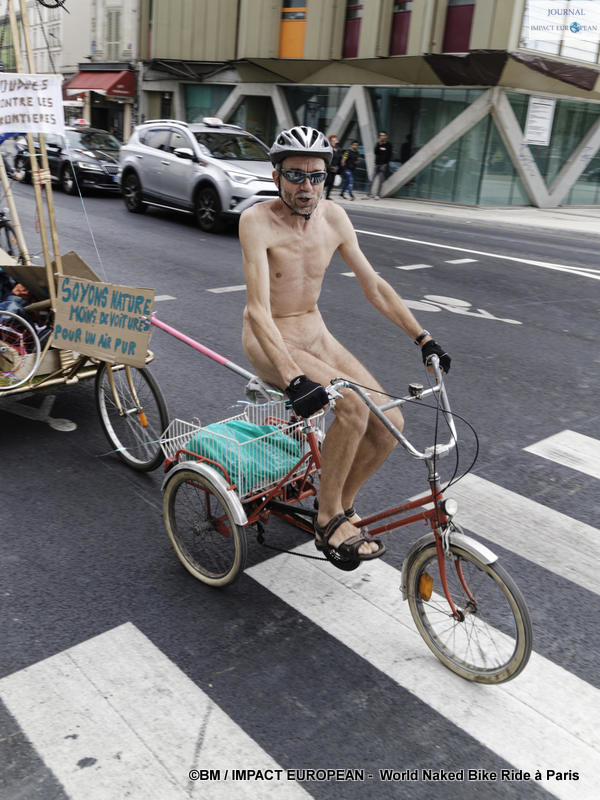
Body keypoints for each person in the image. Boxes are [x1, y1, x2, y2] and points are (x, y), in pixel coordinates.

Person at [239, 125, 451, 563]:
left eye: (316, 176)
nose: (306, 186)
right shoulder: (256, 222)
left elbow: (373, 284)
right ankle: (327, 521)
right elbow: (259, 310)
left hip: (315, 333)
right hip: (270, 339)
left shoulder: (334, 218)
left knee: (389, 422)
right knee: (352, 406)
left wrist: (423, 337)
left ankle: (335, 504)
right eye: (295, 175)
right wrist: (293, 377)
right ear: (276, 174)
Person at [366, 131, 392, 200]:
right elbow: (375, 152)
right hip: (376, 164)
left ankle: (377, 195)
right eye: (381, 135)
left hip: (383, 165)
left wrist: (386, 164)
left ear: (386, 136)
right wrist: (379, 144)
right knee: (371, 179)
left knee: (380, 181)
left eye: (383, 135)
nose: (382, 137)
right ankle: (368, 194)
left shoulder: (388, 145)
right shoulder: (378, 143)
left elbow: (389, 155)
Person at [324, 134, 342, 200]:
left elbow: (340, 159)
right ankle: (319, 193)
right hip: (328, 169)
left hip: (335, 169)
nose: (335, 142)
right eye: (333, 140)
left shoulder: (339, 150)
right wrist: (329, 167)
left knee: (331, 183)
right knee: (326, 182)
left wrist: (338, 169)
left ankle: (327, 196)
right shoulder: (329, 149)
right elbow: (326, 159)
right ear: (330, 141)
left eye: (335, 140)